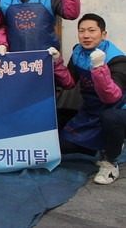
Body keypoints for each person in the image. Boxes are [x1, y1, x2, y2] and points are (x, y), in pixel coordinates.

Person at [50, 14, 126, 185]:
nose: (86, 35)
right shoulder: (78, 52)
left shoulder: (117, 59)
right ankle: (103, 146)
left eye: (92, 31)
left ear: (103, 34)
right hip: (91, 111)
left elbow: (111, 96)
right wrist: (56, 63)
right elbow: (69, 83)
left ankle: (110, 162)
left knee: (111, 118)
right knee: (62, 145)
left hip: (118, 110)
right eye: (82, 31)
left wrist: (99, 68)